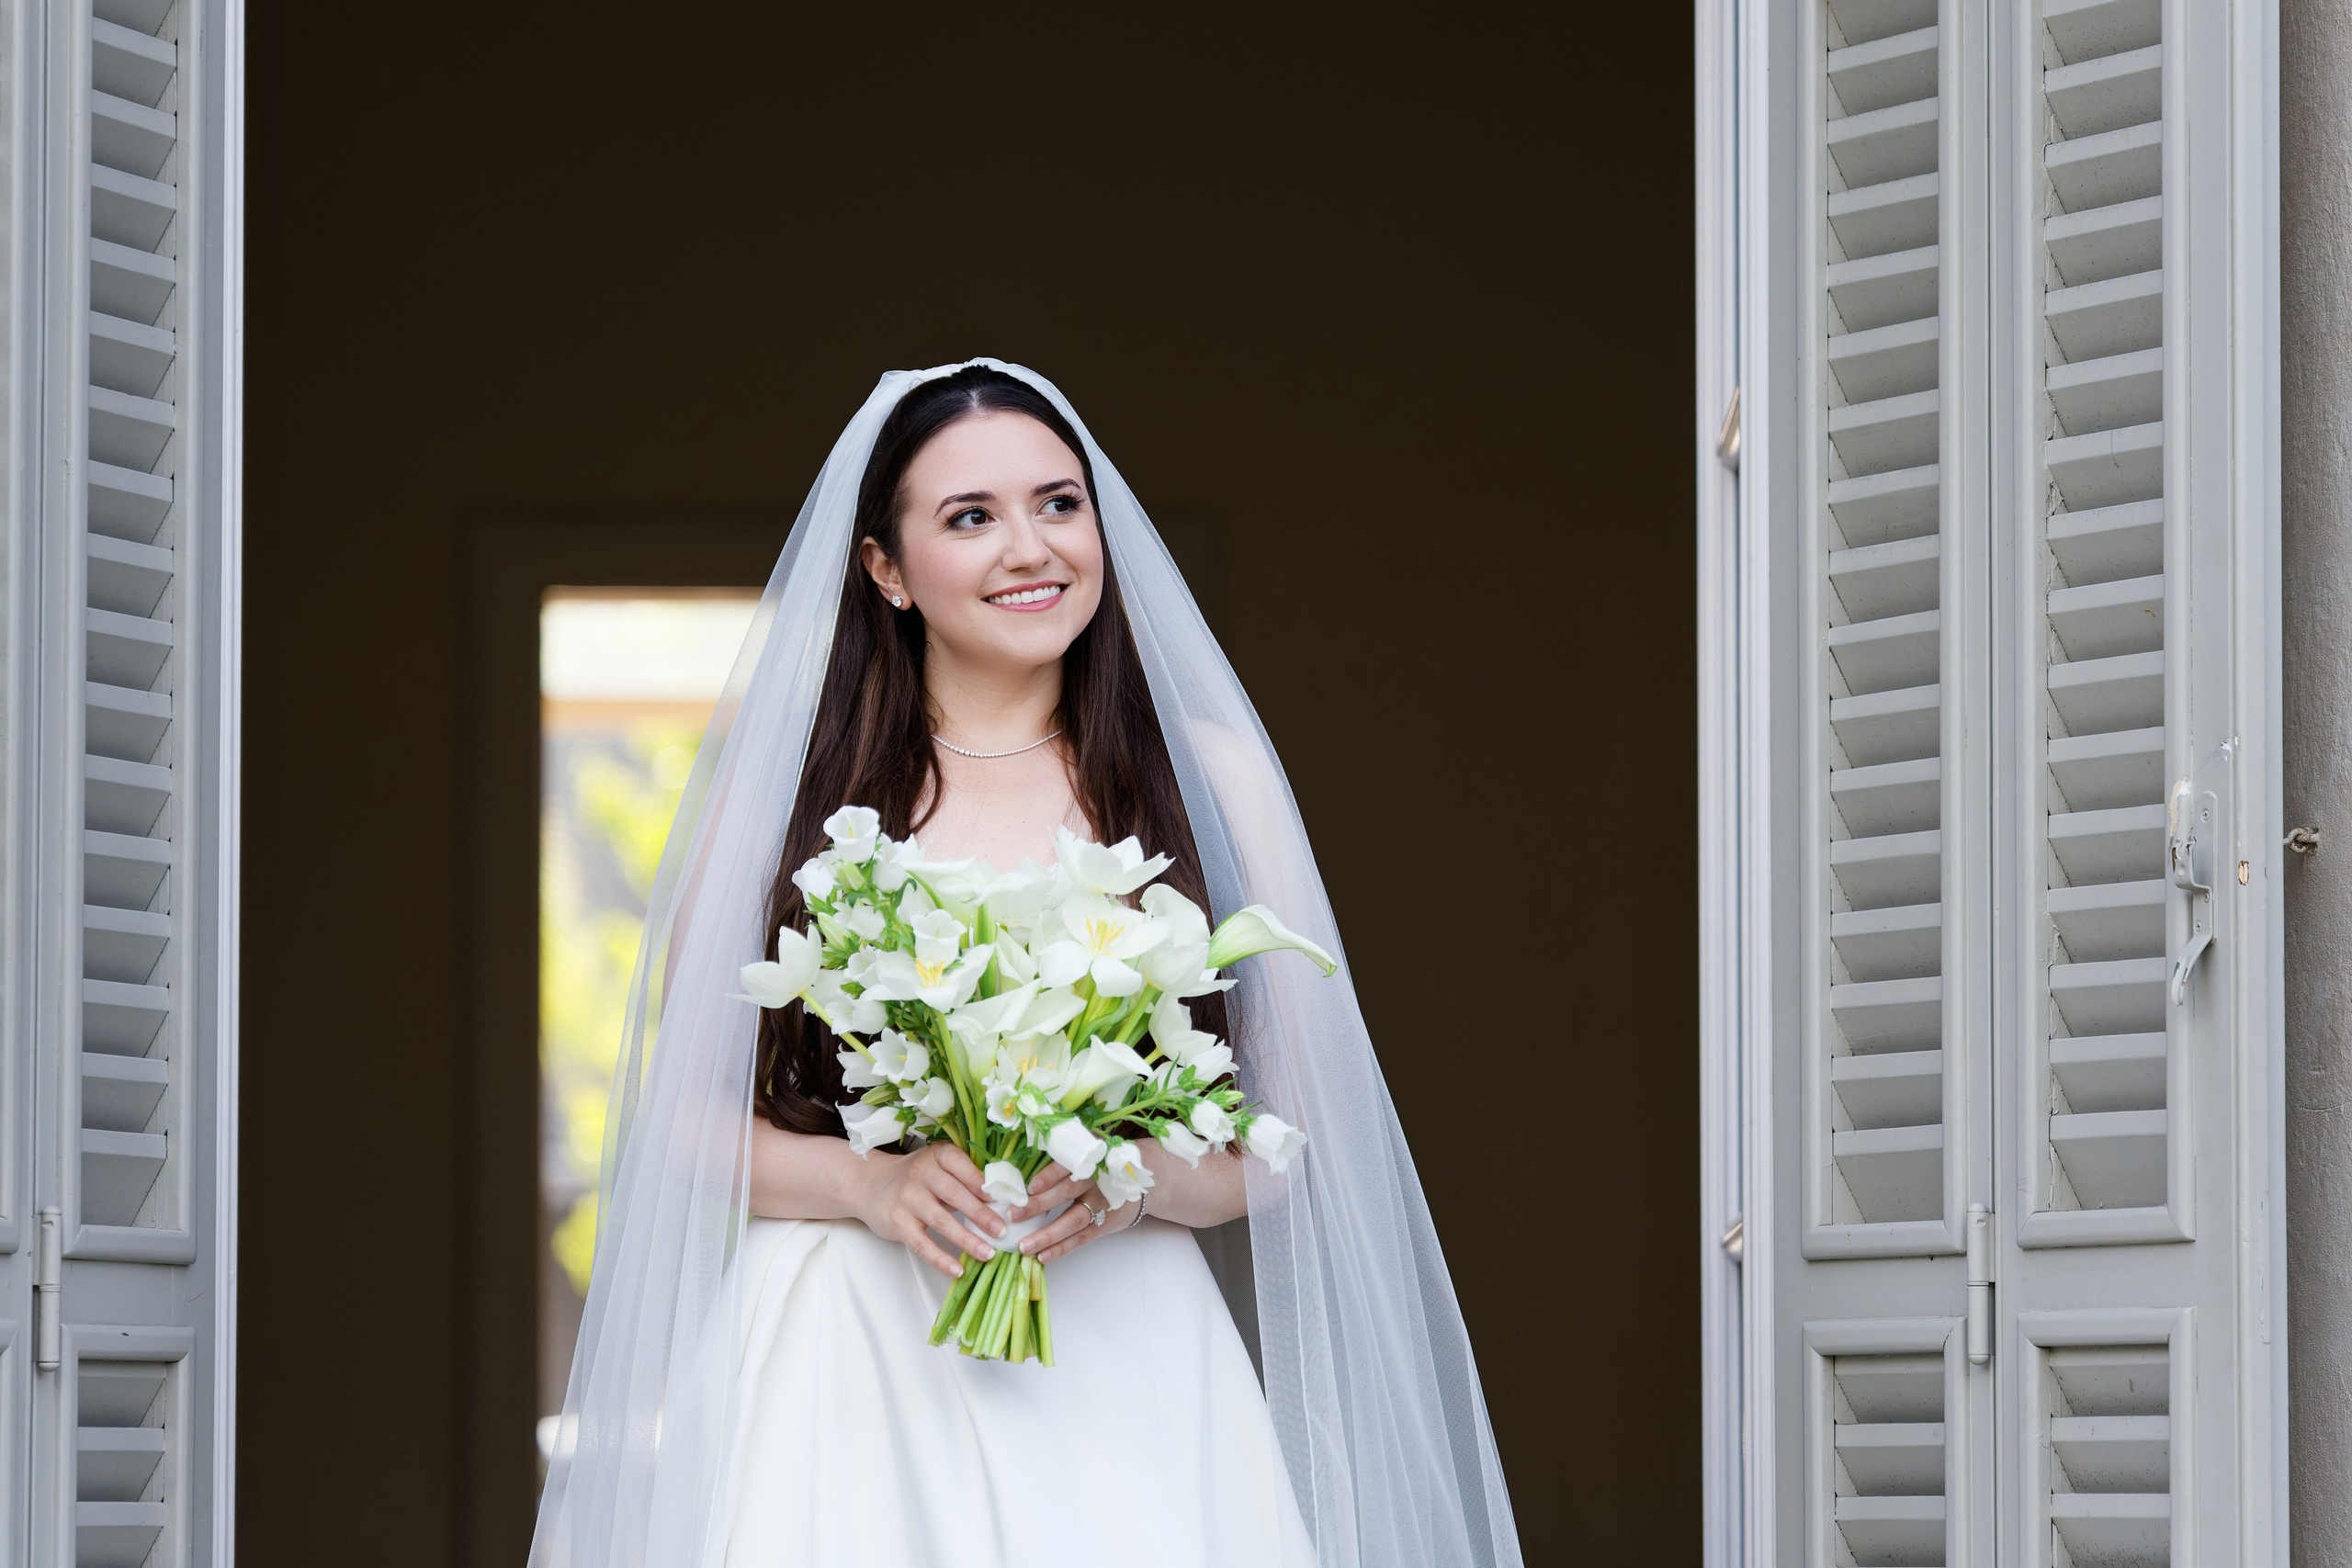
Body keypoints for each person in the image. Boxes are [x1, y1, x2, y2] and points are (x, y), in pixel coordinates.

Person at [530, 362, 1521, 1568]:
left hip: (1127, 1351)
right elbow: (681, 1124)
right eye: (970, 517)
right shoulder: (787, 792)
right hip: (849, 1351)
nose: (1029, 548)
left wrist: (1137, 1183)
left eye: (1059, 503)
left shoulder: (1209, 781)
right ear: (886, 567)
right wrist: (871, 1186)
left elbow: (1286, 1138)